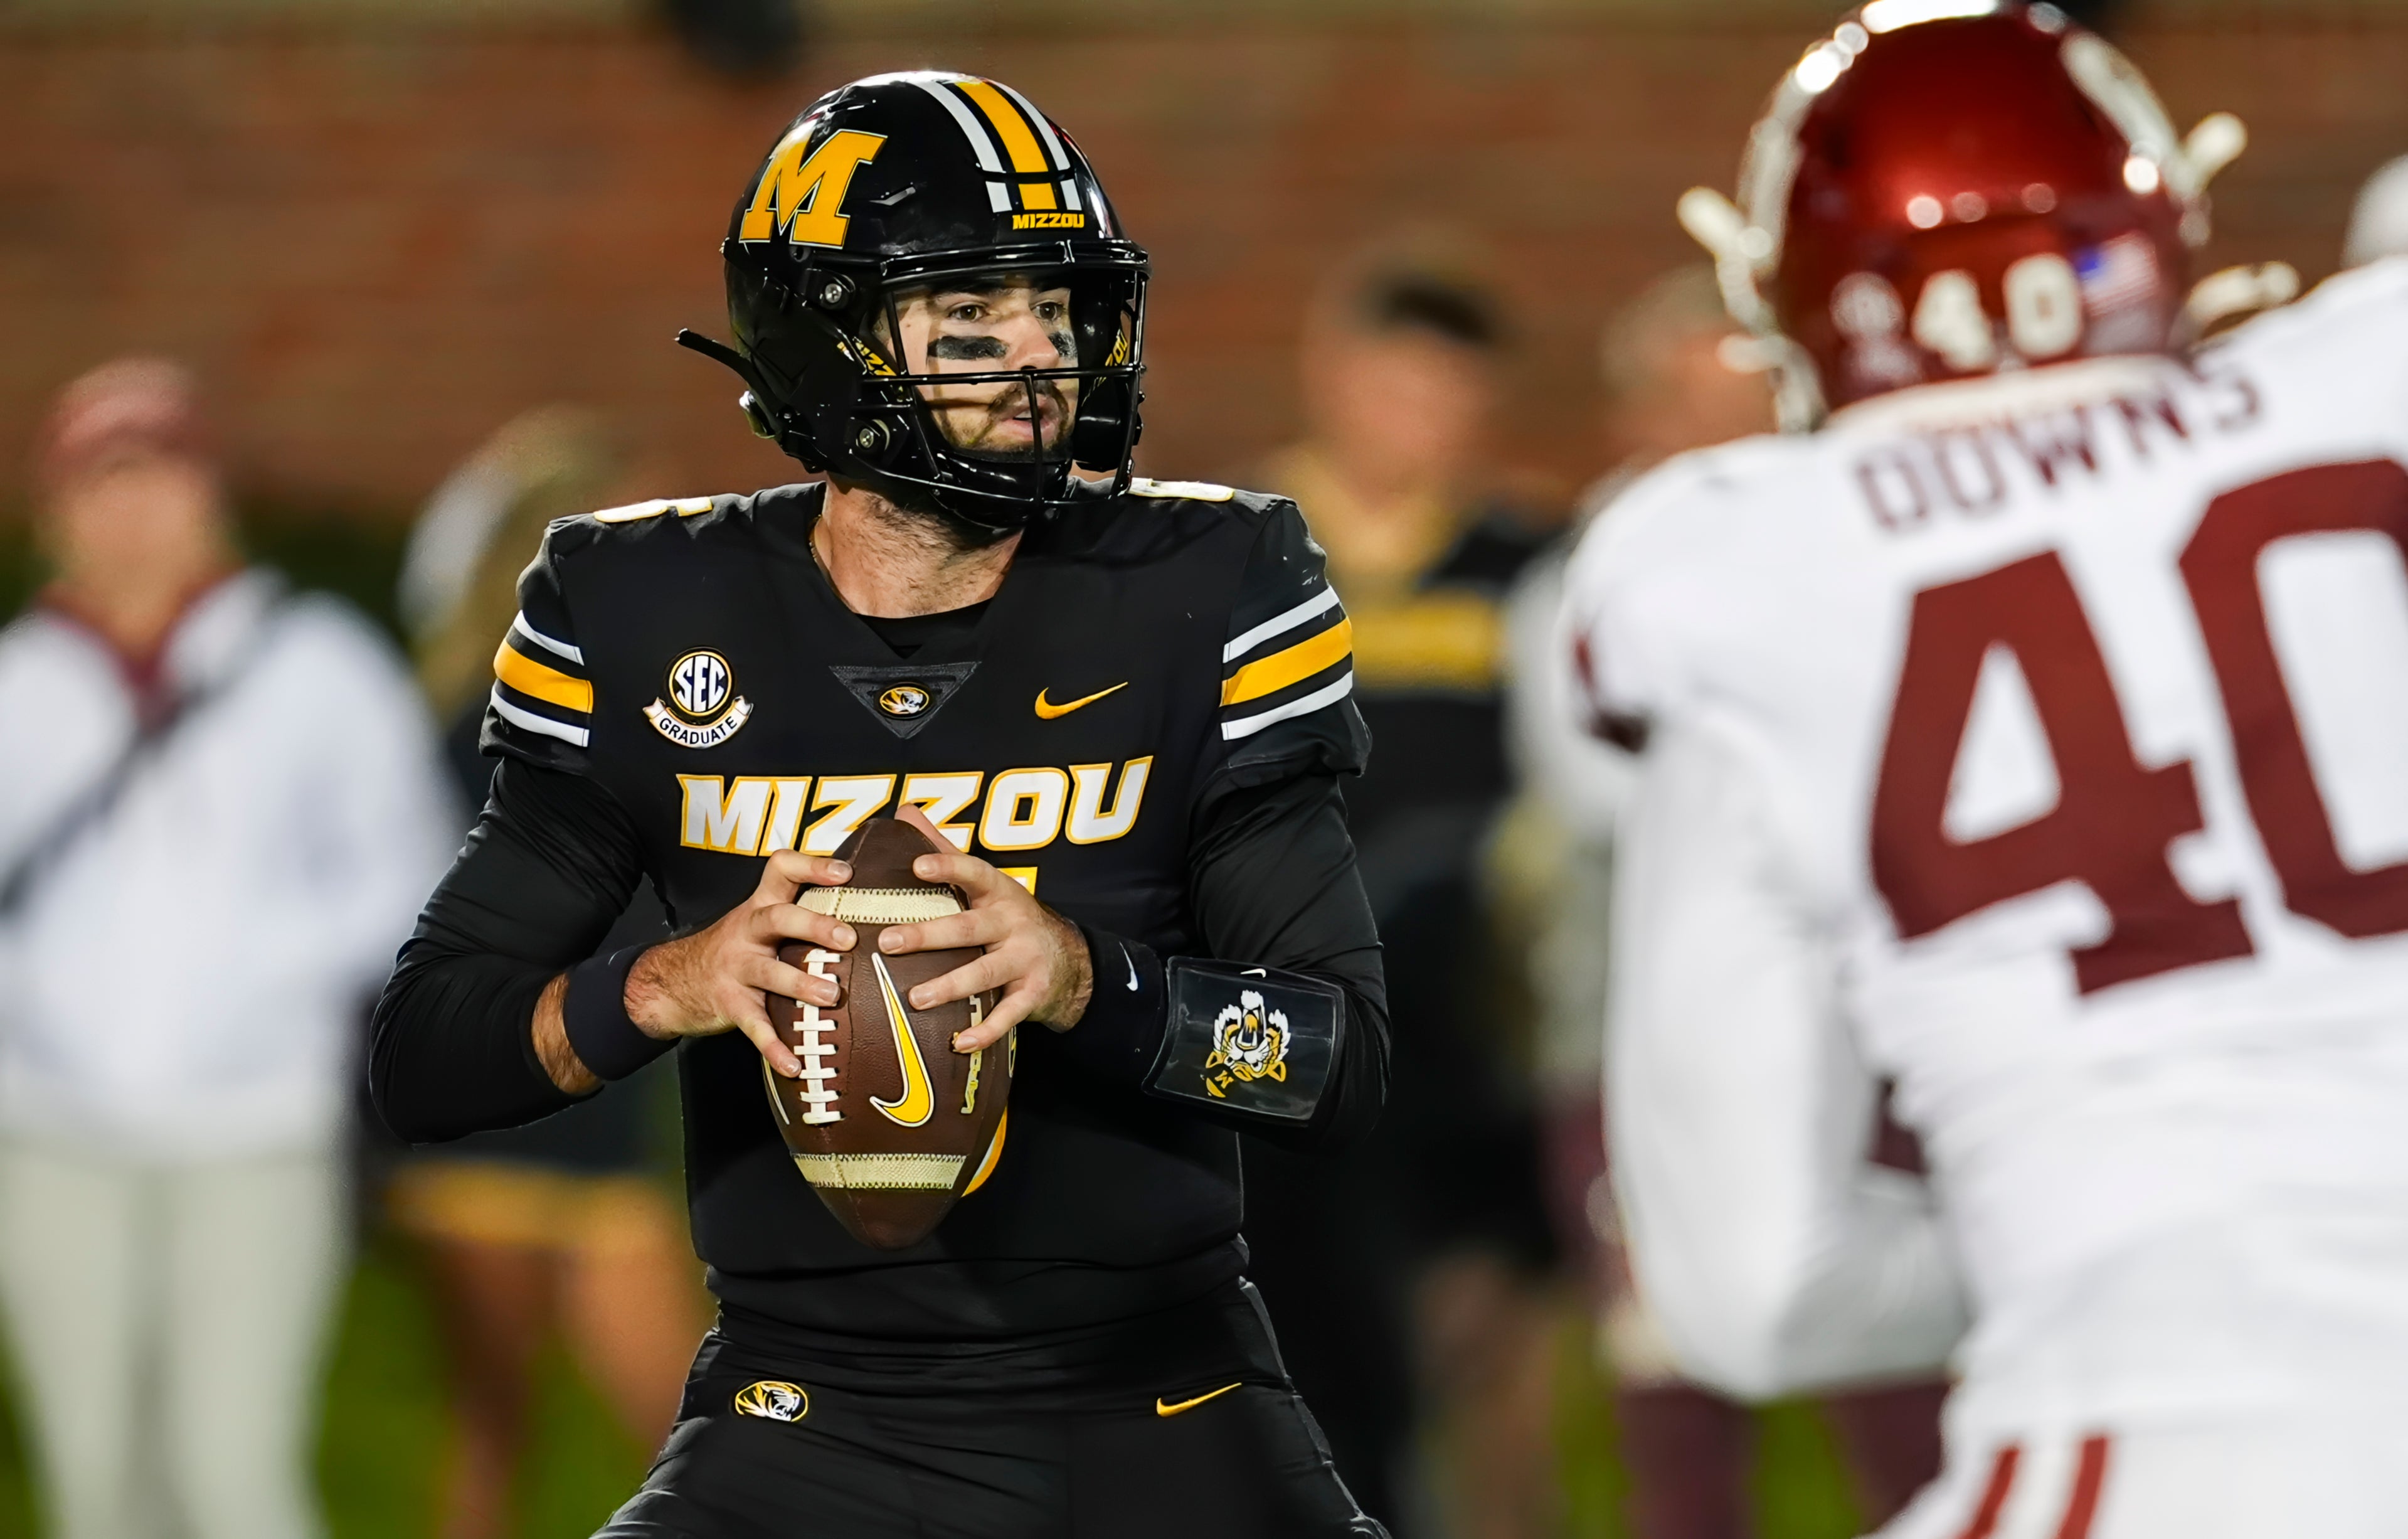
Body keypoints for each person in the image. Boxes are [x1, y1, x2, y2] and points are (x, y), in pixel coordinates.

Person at [370, 72, 1391, 1539]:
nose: (1041, 362)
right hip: (805, 1411)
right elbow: (427, 1058)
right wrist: (671, 984)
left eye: (1059, 311)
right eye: (974, 322)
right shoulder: (640, 608)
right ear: (827, 342)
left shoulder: (1201, 589)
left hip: (1157, 1401)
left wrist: (1086, 981)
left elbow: (1338, 1063)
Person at [1566, 4, 2408, 1532]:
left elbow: (1750, 1291)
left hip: (2173, 1432)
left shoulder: (1744, 575)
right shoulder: (2362, 389)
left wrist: (2058, 1213)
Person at [1504, 267, 1944, 1539]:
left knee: (1909, 1400)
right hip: (1652, 1062)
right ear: (1637, 417)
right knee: (1678, 1402)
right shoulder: (1582, 587)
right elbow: (1640, 809)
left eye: (1756, 400)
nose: (1737, 437)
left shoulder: (1862, 550)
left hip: (1868, 1032)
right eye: (1699, 402)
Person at [0, 358, 453, 1539]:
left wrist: (270, 964)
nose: (133, 511)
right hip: (52, 1133)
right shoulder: (22, 685)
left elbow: (412, 872)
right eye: (104, 481)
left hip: (256, 1128)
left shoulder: (315, 668)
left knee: (231, 1471)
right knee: (97, 1479)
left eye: (159, 477)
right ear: (59, 508)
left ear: (210, 495)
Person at [1252, 248, 1559, 1539]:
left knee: (1502, 1338)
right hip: (1290, 1018)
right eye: (1397, 391)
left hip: (1474, 1022)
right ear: (1331, 378)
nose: (1421, 427)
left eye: (1450, 400)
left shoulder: (1528, 565)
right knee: (1314, 1352)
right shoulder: (1233, 558)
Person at [390, 405, 707, 1539]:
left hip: (605, 1128)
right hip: (489, 1125)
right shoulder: (474, 730)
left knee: (690, 1427)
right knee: (494, 1424)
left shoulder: (659, 724)